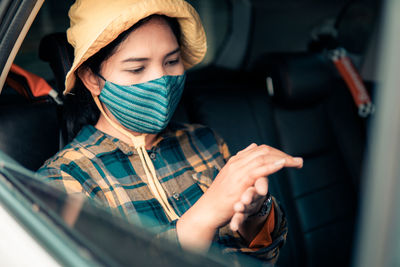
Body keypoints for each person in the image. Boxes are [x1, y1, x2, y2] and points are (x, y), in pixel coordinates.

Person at [37, 0, 303, 264]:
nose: (161, 82)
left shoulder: (205, 141)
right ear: (92, 79)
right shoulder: (64, 178)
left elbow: (266, 255)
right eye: (137, 68)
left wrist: (256, 213)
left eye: (172, 61)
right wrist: (202, 217)